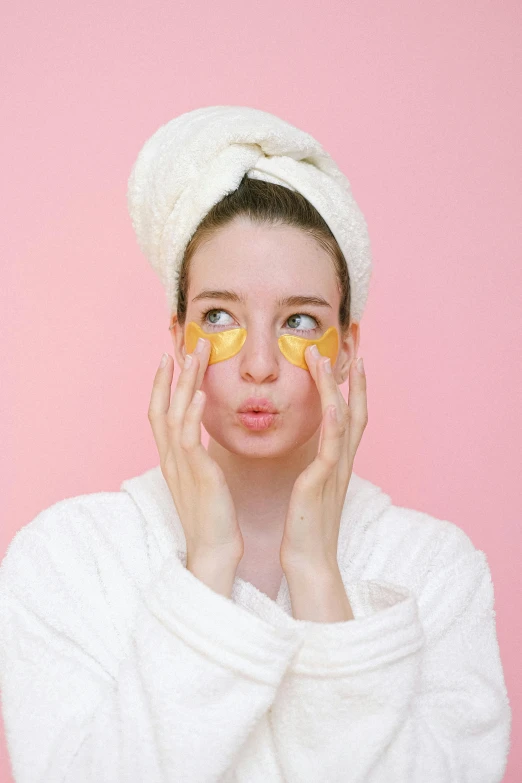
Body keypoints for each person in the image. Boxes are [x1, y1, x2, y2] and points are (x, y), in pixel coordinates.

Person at [0, 106, 511, 782]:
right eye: (220, 316)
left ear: (348, 346)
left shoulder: (437, 570)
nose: (261, 364)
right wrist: (208, 566)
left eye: (300, 319)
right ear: (179, 335)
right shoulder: (69, 558)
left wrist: (319, 577)